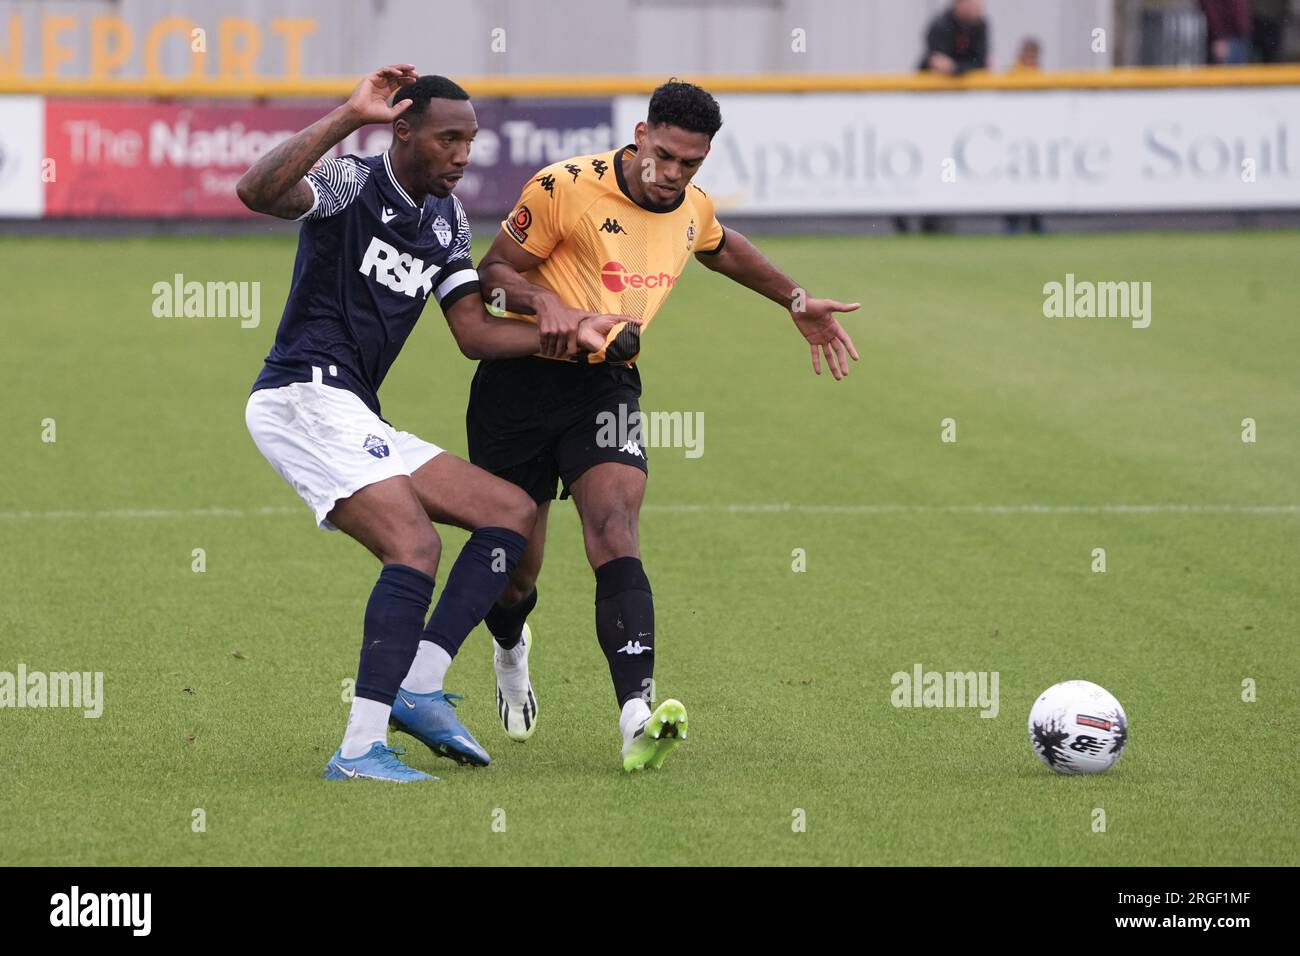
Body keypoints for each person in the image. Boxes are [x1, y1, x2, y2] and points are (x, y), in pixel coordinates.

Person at [236, 66, 631, 782]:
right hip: (302, 395)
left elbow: (475, 332)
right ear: (404, 132)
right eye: (449, 139)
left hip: (350, 407)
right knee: (414, 546)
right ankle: (358, 750)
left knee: (510, 512)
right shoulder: (352, 181)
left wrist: (576, 337)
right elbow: (256, 192)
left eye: (471, 141)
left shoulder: (446, 220)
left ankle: (420, 681)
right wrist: (346, 115)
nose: (462, 154)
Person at [470, 81, 861, 772]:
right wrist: (546, 304)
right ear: (643, 135)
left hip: (607, 383)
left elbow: (721, 245)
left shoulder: (691, 207)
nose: (674, 175)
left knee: (616, 524)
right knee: (513, 574)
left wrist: (794, 298)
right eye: (667, 157)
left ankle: (635, 715)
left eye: (692, 164)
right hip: (520, 382)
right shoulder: (564, 187)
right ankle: (509, 646)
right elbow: (493, 273)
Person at [918, 0, 990, 76]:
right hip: (933, 83)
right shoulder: (941, 25)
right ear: (959, 4)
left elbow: (981, 61)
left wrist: (956, 68)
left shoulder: (980, 25)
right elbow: (941, 63)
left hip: (966, 82)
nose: (978, 10)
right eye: (973, 5)